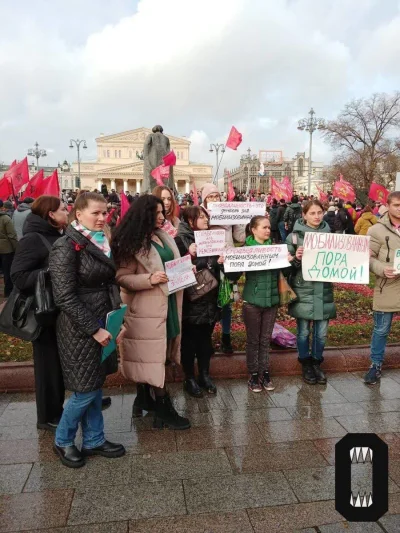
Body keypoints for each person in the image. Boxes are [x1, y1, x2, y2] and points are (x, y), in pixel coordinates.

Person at [49, 192, 125, 468]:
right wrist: (94, 329)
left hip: (103, 322)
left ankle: (94, 439)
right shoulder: (66, 246)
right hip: (79, 329)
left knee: (94, 385)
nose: (103, 218)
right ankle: (63, 439)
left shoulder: (101, 240)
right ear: (78, 214)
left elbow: (109, 281)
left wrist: (117, 319)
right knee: (84, 390)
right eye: (96, 213)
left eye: (105, 212)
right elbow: (64, 296)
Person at [112, 194, 190, 430]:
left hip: (167, 307)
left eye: (162, 213)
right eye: (155, 213)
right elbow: (121, 278)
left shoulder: (162, 236)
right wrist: (150, 278)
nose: (161, 217)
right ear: (143, 216)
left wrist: (186, 268)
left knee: (161, 354)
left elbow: (170, 265)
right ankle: (163, 406)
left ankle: (145, 398)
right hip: (145, 311)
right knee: (152, 357)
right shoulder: (130, 243)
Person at [11, 196, 68, 431]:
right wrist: (50, 273)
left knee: (60, 362)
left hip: (60, 308)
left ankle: (61, 407)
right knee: (47, 366)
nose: (68, 211)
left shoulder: (59, 235)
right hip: (43, 312)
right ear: (51, 214)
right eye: (63, 209)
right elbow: (18, 276)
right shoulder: (33, 239)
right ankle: (47, 416)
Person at [286, 200, 336, 385]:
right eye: (312, 213)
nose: (316, 216)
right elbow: (286, 268)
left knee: (321, 333)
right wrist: (296, 258)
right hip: (303, 289)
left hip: (323, 289)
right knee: (303, 332)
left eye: (319, 212)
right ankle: (305, 363)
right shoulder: (293, 237)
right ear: (304, 215)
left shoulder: (332, 236)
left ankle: (317, 363)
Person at [175, 206, 220, 397]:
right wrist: (189, 255)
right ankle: (189, 378)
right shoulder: (179, 240)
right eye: (201, 217)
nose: (205, 220)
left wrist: (222, 260)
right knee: (189, 342)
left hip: (210, 298)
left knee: (205, 341)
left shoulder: (212, 238)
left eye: (206, 217)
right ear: (189, 220)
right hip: (190, 301)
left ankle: (204, 374)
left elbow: (216, 267)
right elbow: (174, 271)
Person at [241, 216, 290, 392]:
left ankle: (265, 372)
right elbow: (233, 275)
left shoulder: (275, 249)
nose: (268, 230)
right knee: (253, 340)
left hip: (271, 301)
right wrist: (226, 263)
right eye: (264, 227)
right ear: (253, 230)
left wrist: (291, 260)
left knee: (265, 339)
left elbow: (284, 271)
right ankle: (253, 375)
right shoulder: (245, 250)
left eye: (269, 227)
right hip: (252, 302)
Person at [201, 183, 246, 354]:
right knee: (209, 302)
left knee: (227, 302)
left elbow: (240, 238)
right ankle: (208, 339)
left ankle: (226, 337)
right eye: (210, 196)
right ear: (204, 199)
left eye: (216, 196)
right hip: (208, 265)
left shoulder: (228, 212)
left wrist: (242, 219)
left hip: (228, 264)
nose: (214, 199)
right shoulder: (200, 213)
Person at [364, 192, 400, 385]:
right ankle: (375, 365)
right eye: (396, 205)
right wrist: (381, 269)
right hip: (387, 285)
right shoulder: (376, 230)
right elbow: (368, 258)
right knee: (381, 329)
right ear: (388, 205)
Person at [0, 200, 18, 297]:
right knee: (7, 272)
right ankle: (8, 292)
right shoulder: (5, 219)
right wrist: (16, 248)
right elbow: (12, 235)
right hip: (6, 250)